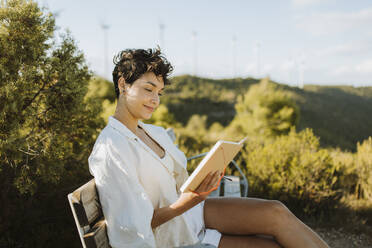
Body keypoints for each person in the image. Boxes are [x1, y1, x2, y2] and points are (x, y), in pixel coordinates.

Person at [88, 47, 329, 248]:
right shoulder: (112, 148)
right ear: (122, 84)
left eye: (159, 93)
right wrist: (188, 201)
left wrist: (203, 180)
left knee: (276, 211)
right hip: (174, 236)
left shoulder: (153, 132)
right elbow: (133, 227)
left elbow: (175, 185)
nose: (155, 100)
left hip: (191, 214)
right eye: (148, 89)